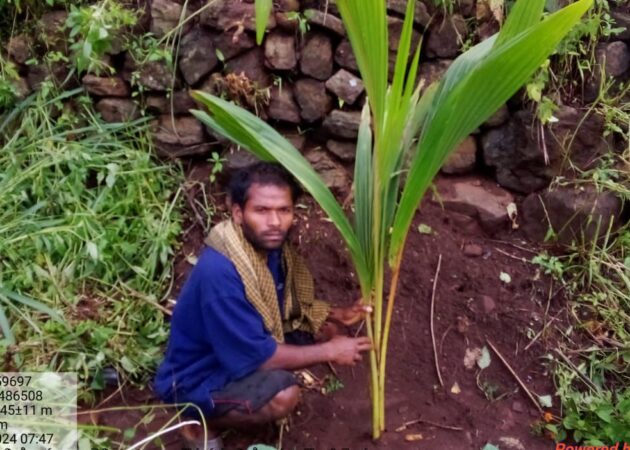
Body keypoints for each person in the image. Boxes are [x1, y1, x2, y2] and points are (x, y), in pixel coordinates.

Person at [154, 162, 372, 449]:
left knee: (323, 328)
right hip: (197, 376)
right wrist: (331, 351)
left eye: (284, 210)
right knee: (283, 395)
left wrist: (337, 315)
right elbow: (261, 358)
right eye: (262, 211)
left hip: (234, 349)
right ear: (238, 214)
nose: (275, 222)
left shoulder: (266, 251)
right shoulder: (221, 273)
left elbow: (284, 306)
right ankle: (197, 422)